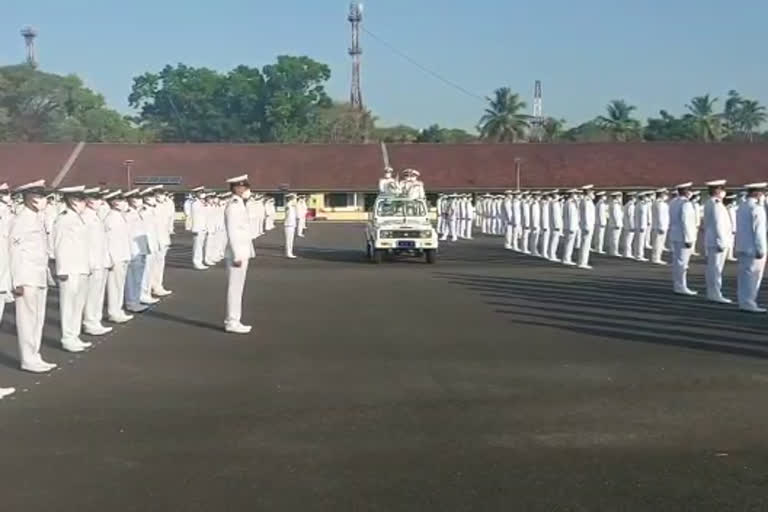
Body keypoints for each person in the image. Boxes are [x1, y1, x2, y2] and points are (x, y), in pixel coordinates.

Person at [10, 180, 57, 373]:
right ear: (27, 198)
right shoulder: (20, 220)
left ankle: (35, 355)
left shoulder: (37, 217)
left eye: (43, 196)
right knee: (27, 320)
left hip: (38, 275)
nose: (42, 200)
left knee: (38, 319)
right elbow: (13, 250)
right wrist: (16, 281)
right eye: (38, 196)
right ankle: (27, 358)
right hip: (26, 276)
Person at [53, 185, 94, 353]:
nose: (84, 202)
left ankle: (75, 335)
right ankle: (67, 338)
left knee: (78, 305)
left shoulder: (78, 218)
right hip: (69, 269)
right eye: (81, 199)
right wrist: (61, 269)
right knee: (68, 306)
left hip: (81, 267)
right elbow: (59, 245)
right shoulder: (63, 219)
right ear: (71, 200)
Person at [223, 175, 255, 334]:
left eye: (246, 186)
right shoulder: (233, 205)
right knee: (234, 289)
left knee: (238, 288)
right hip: (237, 253)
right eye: (243, 187)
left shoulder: (240, 204)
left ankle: (235, 320)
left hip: (242, 251)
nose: (246, 189)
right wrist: (236, 254)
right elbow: (232, 231)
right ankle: (232, 321)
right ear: (236, 188)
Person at [81, 187, 113, 336]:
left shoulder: (95, 216)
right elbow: (84, 243)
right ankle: (90, 322)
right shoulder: (85, 217)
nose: (98, 201)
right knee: (92, 295)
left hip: (100, 261)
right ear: (88, 200)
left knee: (98, 295)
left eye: (99, 198)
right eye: (94, 198)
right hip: (92, 263)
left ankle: (95, 321)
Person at [735, 182, 768, 313]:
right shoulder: (757, 208)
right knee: (753, 276)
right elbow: (759, 231)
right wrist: (761, 249)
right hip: (753, 248)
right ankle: (749, 302)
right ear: (757, 193)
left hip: (743, 246)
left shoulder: (742, 206)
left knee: (744, 276)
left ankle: (743, 301)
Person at [103, 190, 135, 323]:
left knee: (119, 286)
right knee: (114, 287)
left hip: (122, 255)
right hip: (115, 257)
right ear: (114, 203)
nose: (124, 203)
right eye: (121, 200)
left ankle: (118, 309)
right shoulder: (110, 218)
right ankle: (113, 312)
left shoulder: (119, 216)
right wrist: (110, 258)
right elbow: (107, 240)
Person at [703, 180, 733, 304]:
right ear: (716, 190)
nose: (723, 191)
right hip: (717, 241)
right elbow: (718, 225)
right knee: (716, 269)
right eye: (721, 189)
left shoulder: (711, 203)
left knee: (714, 268)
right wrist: (721, 241)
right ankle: (715, 293)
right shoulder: (716, 204)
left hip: (713, 240)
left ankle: (713, 292)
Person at [668, 182, 698, 296]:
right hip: (683, 236)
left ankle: (678, 284)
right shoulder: (686, 204)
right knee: (682, 264)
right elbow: (686, 222)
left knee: (678, 262)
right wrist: (688, 238)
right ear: (686, 191)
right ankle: (681, 286)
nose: (691, 192)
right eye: (690, 189)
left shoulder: (673, 202)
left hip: (675, 235)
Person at [124, 189, 151, 313]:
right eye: (134, 198)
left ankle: (136, 299)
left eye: (139, 198)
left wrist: (144, 249)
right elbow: (128, 234)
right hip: (133, 249)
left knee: (139, 276)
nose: (138, 200)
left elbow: (142, 231)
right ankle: (131, 302)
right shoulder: (127, 213)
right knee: (132, 278)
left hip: (141, 246)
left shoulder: (138, 212)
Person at [190, 187, 208, 270]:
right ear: (196, 193)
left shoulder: (202, 202)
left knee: (200, 246)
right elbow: (194, 217)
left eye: (202, 192)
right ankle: (196, 262)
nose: (202, 194)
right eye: (200, 192)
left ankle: (200, 262)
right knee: (197, 247)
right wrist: (194, 229)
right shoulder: (195, 203)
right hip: (198, 228)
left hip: (203, 227)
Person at [578, 185, 596, 269]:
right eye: (592, 191)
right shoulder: (586, 201)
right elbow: (586, 215)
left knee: (586, 244)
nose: (593, 193)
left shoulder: (588, 201)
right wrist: (587, 226)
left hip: (588, 225)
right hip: (587, 226)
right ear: (588, 192)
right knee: (585, 244)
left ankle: (583, 261)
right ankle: (582, 262)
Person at [651, 188, 670, 265]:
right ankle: (656, 258)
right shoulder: (660, 203)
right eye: (665, 194)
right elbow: (660, 216)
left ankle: (658, 257)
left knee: (660, 243)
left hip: (661, 226)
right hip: (659, 226)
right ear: (661, 194)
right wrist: (662, 226)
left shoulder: (659, 203)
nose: (666, 196)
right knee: (658, 243)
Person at [561, 189, 579, 265]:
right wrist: (572, 227)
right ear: (571, 194)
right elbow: (571, 216)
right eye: (575, 194)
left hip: (569, 226)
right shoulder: (570, 204)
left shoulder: (569, 203)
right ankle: (566, 259)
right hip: (570, 227)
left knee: (569, 243)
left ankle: (567, 258)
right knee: (569, 243)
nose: (576, 195)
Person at [633, 192, 652, 261]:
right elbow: (642, 217)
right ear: (642, 197)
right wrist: (642, 226)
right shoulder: (642, 205)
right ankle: (639, 256)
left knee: (638, 241)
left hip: (638, 225)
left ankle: (636, 254)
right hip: (641, 225)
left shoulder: (638, 204)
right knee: (640, 242)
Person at [607, 192, 624, 257]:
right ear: (616, 197)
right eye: (619, 196)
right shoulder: (615, 204)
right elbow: (615, 215)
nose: (620, 198)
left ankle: (613, 251)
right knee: (615, 239)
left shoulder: (614, 204)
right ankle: (614, 251)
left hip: (614, 223)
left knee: (614, 238)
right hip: (615, 224)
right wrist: (617, 223)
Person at [548, 191, 563, 261]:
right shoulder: (554, 204)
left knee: (554, 240)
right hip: (555, 225)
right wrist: (557, 225)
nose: (559, 196)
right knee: (554, 240)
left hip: (553, 225)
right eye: (557, 195)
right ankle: (552, 255)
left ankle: (551, 254)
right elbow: (555, 215)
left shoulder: (553, 203)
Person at [622, 193, 637, 259]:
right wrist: (632, 226)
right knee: (628, 240)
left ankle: (626, 253)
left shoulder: (627, 205)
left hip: (626, 225)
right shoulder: (631, 206)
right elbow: (631, 217)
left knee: (627, 240)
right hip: (629, 225)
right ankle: (627, 253)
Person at [284, 193, 298, 259]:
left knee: (291, 240)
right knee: (289, 240)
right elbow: (288, 205)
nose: (295, 200)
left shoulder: (293, 206)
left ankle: (290, 252)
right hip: (288, 225)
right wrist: (291, 197)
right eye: (294, 199)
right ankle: (288, 253)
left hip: (292, 224)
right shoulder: (288, 205)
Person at [725, 194, 738, 262]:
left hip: (727, 227)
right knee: (730, 242)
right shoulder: (730, 208)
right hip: (730, 228)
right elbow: (733, 219)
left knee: (728, 242)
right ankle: (729, 255)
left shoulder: (726, 207)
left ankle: (728, 255)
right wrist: (734, 229)